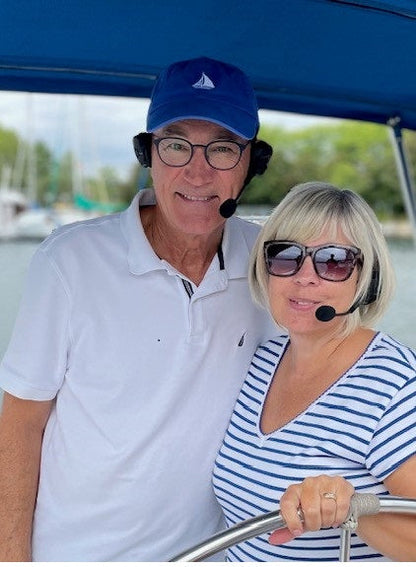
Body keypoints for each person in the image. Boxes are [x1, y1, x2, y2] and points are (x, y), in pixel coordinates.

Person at [0, 56, 277, 561]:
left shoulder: (276, 266)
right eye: (175, 145)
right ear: (147, 154)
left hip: (212, 554)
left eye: (222, 148)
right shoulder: (69, 260)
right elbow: (20, 424)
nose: (197, 170)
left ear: (251, 164)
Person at [213, 182, 416, 561]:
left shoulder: (394, 384)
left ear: (366, 280)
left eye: (334, 261)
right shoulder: (262, 360)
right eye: (286, 256)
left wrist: (351, 508)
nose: (305, 276)